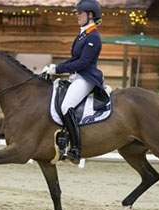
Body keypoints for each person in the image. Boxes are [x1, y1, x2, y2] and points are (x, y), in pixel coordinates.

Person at [43, 0, 104, 164]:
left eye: (80, 13)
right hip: (76, 77)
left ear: (90, 15)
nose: (77, 16)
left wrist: (58, 69)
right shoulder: (83, 34)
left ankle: (76, 149)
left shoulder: (93, 36)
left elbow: (83, 63)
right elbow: (74, 59)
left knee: (65, 106)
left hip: (87, 78)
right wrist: (56, 67)